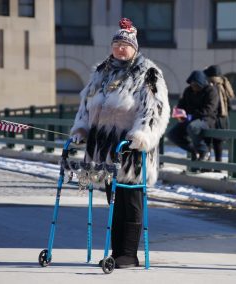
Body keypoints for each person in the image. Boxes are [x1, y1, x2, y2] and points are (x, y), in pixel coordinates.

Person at [69, 18, 170, 268]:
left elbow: (154, 110)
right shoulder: (101, 72)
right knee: (112, 197)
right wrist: (81, 129)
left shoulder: (148, 72)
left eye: (125, 44)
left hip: (131, 149)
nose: (120, 48)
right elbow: (86, 105)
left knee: (130, 199)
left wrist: (142, 136)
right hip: (103, 148)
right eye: (116, 44)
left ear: (134, 47)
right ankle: (117, 250)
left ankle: (129, 253)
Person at [166, 70, 219, 168]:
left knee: (192, 127)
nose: (194, 87)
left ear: (201, 83)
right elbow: (182, 104)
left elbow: (209, 109)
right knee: (172, 134)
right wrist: (179, 112)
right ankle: (194, 150)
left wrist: (192, 116)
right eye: (192, 84)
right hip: (189, 119)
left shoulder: (211, 91)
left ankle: (204, 151)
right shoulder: (188, 91)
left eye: (196, 85)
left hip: (206, 119)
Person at [203, 65, 235, 163]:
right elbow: (229, 105)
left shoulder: (210, 85)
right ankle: (218, 167)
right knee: (218, 144)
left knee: (207, 141)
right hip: (223, 119)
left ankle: (206, 166)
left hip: (212, 118)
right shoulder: (224, 84)